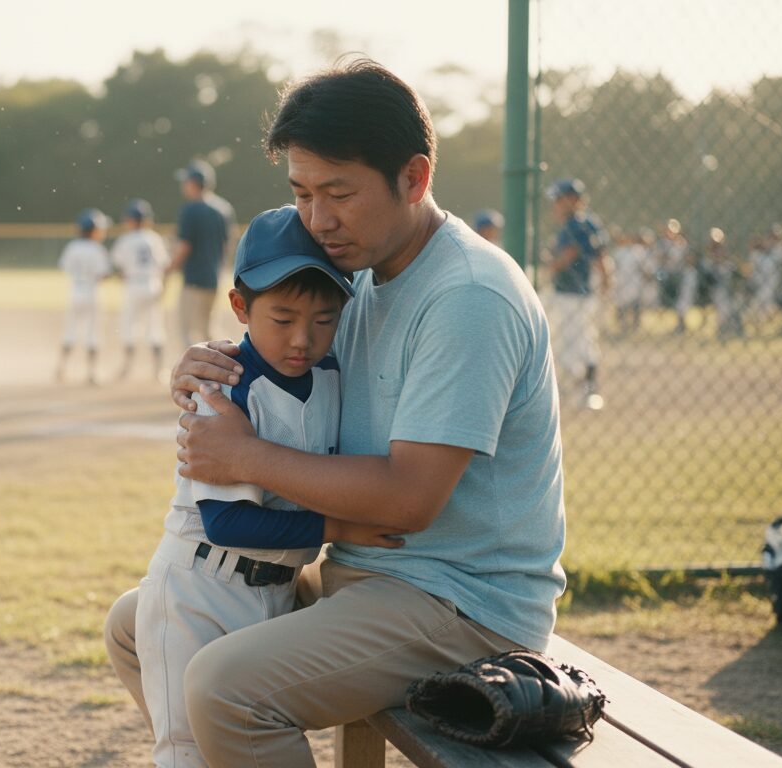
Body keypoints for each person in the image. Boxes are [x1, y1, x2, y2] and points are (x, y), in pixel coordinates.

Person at [104, 59, 566, 768]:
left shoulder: (469, 294)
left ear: (414, 178)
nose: (319, 220)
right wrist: (208, 363)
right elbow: (285, 354)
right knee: (136, 624)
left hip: (460, 605)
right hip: (366, 574)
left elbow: (409, 501)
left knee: (227, 689)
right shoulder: (358, 277)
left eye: (339, 194)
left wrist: (245, 458)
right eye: (302, 194)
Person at [138, 205, 384, 767]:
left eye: (324, 320)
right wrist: (341, 525)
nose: (303, 338)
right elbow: (230, 522)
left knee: (241, 740)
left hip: (277, 590)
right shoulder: (222, 386)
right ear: (240, 308)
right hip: (197, 589)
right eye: (282, 318)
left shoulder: (329, 374)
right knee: (187, 752)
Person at [545, 177, 609, 409]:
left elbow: (569, 255)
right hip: (579, 291)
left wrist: (550, 265)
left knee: (575, 342)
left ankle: (584, 389)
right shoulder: (584, 223)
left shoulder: (576, 225)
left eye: (559, 200)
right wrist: (605, 282)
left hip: (572, 292)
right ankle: (583, 388)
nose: (555, 205)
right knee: (582, 340)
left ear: (573, 200)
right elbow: (601, 257)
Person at [170, 159, 236, 348]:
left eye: (186, 181)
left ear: (193, 183)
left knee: (187, 331)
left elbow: (184, 246)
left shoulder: (191, 209)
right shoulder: (223, 209)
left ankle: (193, 373)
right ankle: (223, 364)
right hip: (213, 278)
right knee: (208, 330)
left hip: (193, 280)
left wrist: (169, 269)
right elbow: (227, 245)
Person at [112, 198, 172, 380]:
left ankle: (126, 369)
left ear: (131, 220)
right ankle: (159, 371)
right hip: (152, 284)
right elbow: (164, 265)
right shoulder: (154, 238)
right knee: (155, 326)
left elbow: (118, 266)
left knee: (129, 325)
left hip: (133, 285)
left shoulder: (125, 239)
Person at [56, 208, 112, 385]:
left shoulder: (72, 246)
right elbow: (104, 274)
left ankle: (61, 368)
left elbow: (65, 267)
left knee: (70, 330)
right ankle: (91, 373)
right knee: (92, 332)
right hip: (91, 292)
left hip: (75, 291)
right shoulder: (97, 248)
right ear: (93, 230)